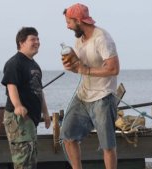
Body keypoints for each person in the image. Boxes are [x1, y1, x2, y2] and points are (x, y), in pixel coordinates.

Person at [60, 3, 120, 169]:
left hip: (103, 97)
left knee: (107, 145)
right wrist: (73, 66)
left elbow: (114, 69)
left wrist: (83, 68)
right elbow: (80, 68)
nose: (67, 26)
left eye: (69, 22)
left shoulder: (102, 38)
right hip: (83, 95)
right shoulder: (78, 40)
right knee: (67, 136)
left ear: (79, 20)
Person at [1, 27, 51, 169]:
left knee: (31, 158)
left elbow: (39, 91)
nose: (37, 42)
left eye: (38, 39)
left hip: (31, 119)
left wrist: (45, 113)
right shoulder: (14, 62)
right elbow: (11, 85)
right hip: (18, 119)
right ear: (21, 42)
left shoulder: (34, 65)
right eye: (32, 39)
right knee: (22, 160)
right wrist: (17, 105)